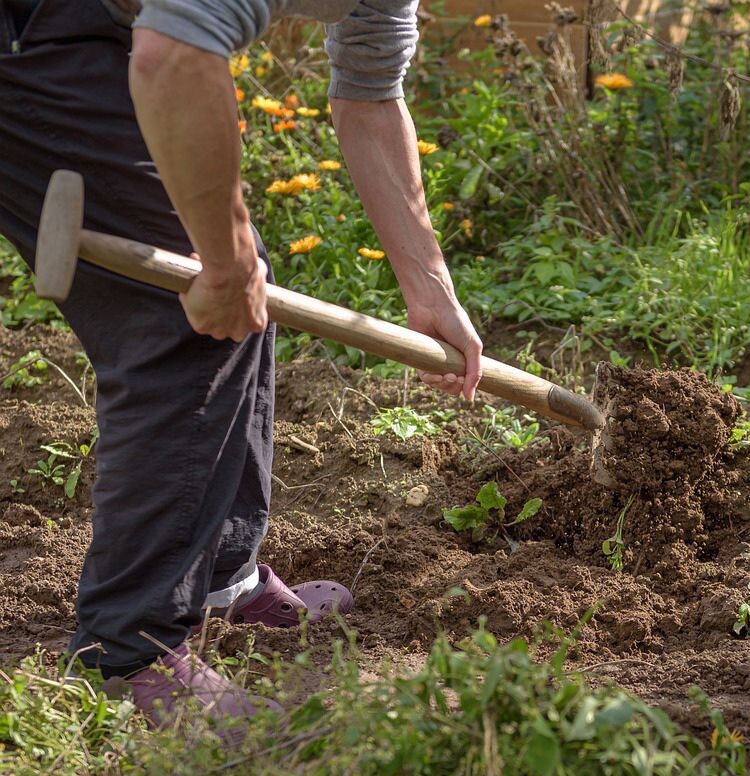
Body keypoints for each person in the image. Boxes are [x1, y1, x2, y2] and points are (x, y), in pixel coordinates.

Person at [0, 0, 482, 723]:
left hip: (90, 28)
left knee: (238, 295)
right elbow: (172, 54)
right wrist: (223, 265)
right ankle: (126, 655)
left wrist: (431, 289)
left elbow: (371, 96)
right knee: (193, 312)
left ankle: (217, 575)